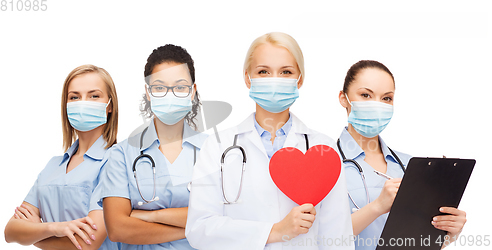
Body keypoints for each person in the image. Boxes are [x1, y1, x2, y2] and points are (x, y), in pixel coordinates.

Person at [185, 32, 353, 249]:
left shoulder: (324, 149)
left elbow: (338, 238)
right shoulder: (218, 146)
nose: (274, 80)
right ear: (248, 78)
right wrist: (274, 232)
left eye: (286, 72)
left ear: (299, 79)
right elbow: (199, 229)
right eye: (263, 72)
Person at [337, 60, 467, 249]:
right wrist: (377, 206)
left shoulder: (410, 166)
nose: (377, 105)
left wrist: (448, 234)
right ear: (343, 98)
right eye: (366, 95)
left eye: (386, 98)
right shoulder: (324, 162)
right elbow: (317, 237)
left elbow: (417, 240)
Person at [100, 44, 207, 249]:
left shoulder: (213, 150)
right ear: (148, 93)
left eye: (180, 87)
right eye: (159, 87)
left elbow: (224, 217)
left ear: (192, 92)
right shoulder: (121, 154)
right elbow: (117, 229)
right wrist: (194, 226)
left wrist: (151, 216)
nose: (170, 94)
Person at [4, 64, 120, 250]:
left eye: (94, 95)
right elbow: (10, 232)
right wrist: (55, 228)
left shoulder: (116, 161)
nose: (83, 102)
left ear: (110, 106)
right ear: (66, 106)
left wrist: (35, 235)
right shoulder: (53, 166)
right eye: (74, 97)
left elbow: (87, 242)